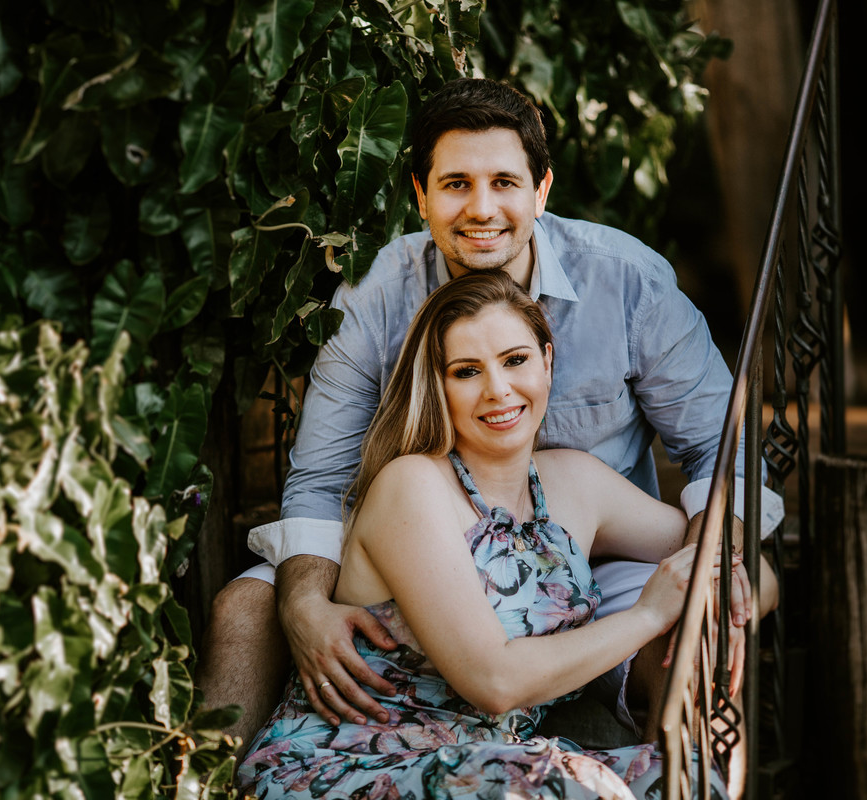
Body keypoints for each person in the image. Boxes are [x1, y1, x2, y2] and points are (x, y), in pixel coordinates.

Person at [197, 78, 784, 747]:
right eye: (455, 184)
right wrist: (304, 604)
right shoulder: (376, 294)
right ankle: (212, 779)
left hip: (593, 544)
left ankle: (685, 778)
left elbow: (722, 448)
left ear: (541, 189)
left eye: (504, 182)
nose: (482, 208)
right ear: (421, 195)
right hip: (420, 549)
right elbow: (321, 479)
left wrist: (716, 567)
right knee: (246, 608)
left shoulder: (627, 281)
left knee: (704, 635)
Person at [236, 271, 775, 799]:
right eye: (467, 371)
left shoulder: (577, 483)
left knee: (694, 775)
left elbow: (754, 569)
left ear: (547, 360)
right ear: (438, 386)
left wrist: (719, 595)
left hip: (495, 765)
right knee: (558, 783)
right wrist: (650, 615)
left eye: (515, 360)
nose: (497, 390)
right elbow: (495, 682)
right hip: (353, 763)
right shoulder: (412, 485)